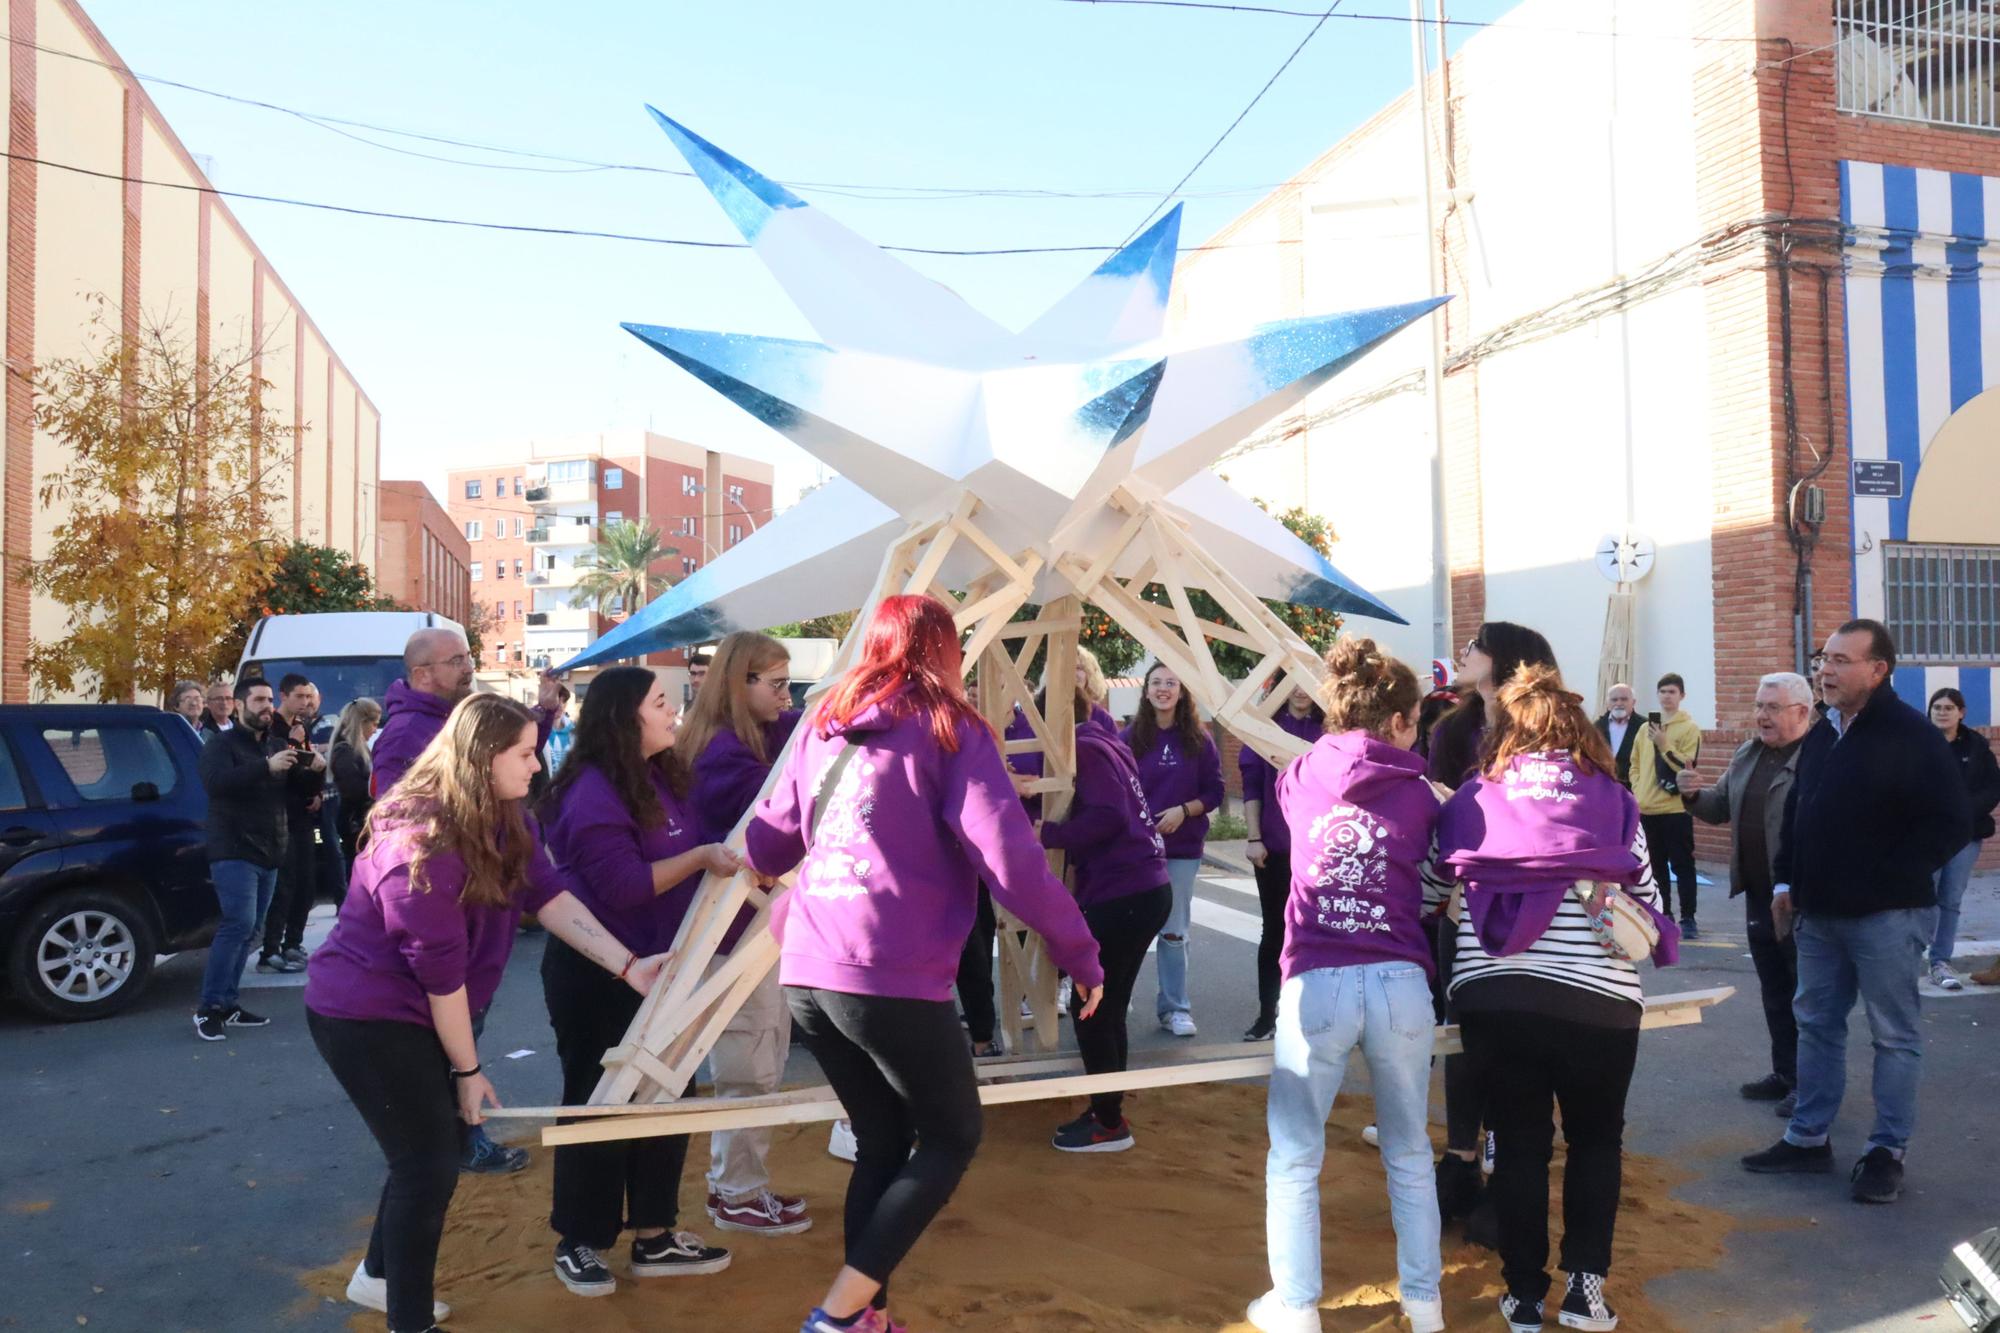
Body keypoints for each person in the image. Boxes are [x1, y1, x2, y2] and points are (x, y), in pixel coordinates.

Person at [740, 593, 1104, 1333]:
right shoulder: (948, 727)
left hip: (810, 965)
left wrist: (761, 864)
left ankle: (866, 1314)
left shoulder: (824, 723)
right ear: (942, 651)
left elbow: (770, 838)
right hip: (887, 968)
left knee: (883, 1135)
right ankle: (840, 1315)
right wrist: (1079, 952)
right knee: (951, 1135)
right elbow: (1010, 858)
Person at [305, 693, 667, 1333]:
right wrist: (468, 1072)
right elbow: (440, 978)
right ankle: (408, 1319)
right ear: (482, 758)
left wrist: (629, 965)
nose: (537, 765)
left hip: (424, 1005)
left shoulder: (507, 816)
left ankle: (380, 1276)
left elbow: (548, 895)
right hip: (363, 1013)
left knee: (428, 1149)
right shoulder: (421, 842)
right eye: (525, 754)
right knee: (427, 1163)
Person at [1437, 665, 1670, 1333]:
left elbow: (1437, 886)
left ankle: (1522, 1296)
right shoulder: (1616, 802)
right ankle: (1586, 1294)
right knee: (1597, 1141)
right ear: (1582, 733)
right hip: (1597, 1001)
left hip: (1495, 995)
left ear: (1503, 734)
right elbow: (1645, 919)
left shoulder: (1474, 799)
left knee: (1519, 1145)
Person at [1248, 638, 1444, 1333]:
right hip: (1398, 977)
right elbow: (1436, 873)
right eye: (1416, 718)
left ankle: (1297, 1308)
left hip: (1318, 977)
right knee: (1409, 1150)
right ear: (1396, 720)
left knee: (1296, 1155)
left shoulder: (1300, 774)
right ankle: (1424, 1304)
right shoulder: (1420, 792)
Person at [1741, 620, 1969, 1205]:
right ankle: (1808, 1138)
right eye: (1824, 659)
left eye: (1842, 660)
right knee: (1816, 1025)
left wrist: (1886, 879)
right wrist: (1788, 879)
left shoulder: (1910, 735)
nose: (1826, 670)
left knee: (1893, 1036)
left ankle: (1886, 1153)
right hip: (1818, 914)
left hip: (1886, 917)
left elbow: (1949, 823)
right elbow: (1799, 813)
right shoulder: (1824, 732)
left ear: (1878, 670)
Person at [539, 666, 739, 1297]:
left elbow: (700, 836)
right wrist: (702, 859)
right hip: (600, 972)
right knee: (600, 1100)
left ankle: (654, 1233)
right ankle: (581, 1238)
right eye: (661, 703)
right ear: (626, 717)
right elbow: (624, 886)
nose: (675, 712)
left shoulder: (658, 775)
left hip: (663, 970)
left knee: (667, 1094)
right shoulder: (593, 791)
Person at [1425, 622, 1556, 1243]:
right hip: (1461, 901)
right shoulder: (1452, 728)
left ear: (1504, 659)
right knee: (1462, 1029)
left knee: (1514, 1037)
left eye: (1476, 645)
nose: (1464, 652)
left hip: (1531, 904)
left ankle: (1506, 1170)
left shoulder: (1543, 728)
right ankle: (1460, 1158)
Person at [681, 630, 813, 1236]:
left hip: (751, 927)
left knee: (760, 1052)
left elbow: (798, 740)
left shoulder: (747, 740)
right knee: (748, 1062)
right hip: (734, 933)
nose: (789, 695)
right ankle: (736, 1192)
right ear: (742, 686)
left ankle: (738, 1187)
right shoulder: (722, 756)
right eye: (779, 684)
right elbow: (769, 823)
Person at [1039, 676, 1173, 1153]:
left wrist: (1048, 834)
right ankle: (1107, 1109)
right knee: (1108, 1005)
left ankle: (1109, 1122)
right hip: (1143, 887)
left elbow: (1109, 817)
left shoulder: (1086, 749)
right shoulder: (1105, 742)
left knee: (1091, 1006)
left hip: (1124, 890)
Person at [1677, 672, 1815, 1119]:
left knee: (1805, 997)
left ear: (1801, 712)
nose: (1761, 716)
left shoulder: (1818, 758)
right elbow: (1720, 806)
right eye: (1759, 706)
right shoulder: (1749, 752)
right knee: (1775, 991)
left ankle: (1808, 1086)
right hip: (1758, 894)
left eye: (1772, 708)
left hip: (1800, 898)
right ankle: (1785, 1074)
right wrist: (1694, 795)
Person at [1122, 660, 1223, 1039]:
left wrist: (1185, 811)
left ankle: (1175, 1007)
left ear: (1182, 692)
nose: (1164, 689)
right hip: (1135, 852)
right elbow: (1114, 790)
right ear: (1146, 690)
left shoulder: (1199, 740)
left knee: (1174, 931)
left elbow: (1215, 791)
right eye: (1157, 682)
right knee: (1129, 929)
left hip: (1181, 850)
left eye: (1172, 683)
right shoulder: (1129, 739)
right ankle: (1120, 996)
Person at [191, 677, 293, 1041]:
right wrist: (266, 767)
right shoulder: (221, 745)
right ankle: (209, 1009)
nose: (267, 706)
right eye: (259, 700)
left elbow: (292, 797)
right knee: (237, 925)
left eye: (269, 700)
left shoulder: (277, 744)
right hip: (233, 849)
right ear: (238, 705)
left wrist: (312, 773)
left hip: (270, 850)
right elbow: (216, 784)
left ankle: (229, 1004)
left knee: (250, 930)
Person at [373, 627, 563, 797]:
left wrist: (545, 708)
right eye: (456, 661)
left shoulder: (462, 715)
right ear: (422, 675)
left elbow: (512, 752)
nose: (469, 669)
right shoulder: (403, 736)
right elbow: (394, 817)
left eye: (467, 658)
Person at [1241, 684, 1326, 1042]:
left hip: (1321, 852)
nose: (1299, 691)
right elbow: (1252, 788)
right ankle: (1268, 1014)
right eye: (1289, 683)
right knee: (1274, 931)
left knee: (1317, 934)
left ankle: (1313, 1015)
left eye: (1304, 682)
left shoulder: (1328, 730)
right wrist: (1253, 837)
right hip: (1275, 849)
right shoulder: (1266, 728)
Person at [1925, 687, 2000, 992]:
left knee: (1950, 899)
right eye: (1937, 707)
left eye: (1948, 707)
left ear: (1961, 713)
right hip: (1927, 836)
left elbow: (1992, 788)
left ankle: (1940, 961)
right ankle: (1908, 955)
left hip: (1965, 836)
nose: (1942, 712)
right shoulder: (1918, 744)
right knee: (1921, 898)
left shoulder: (1977, 746)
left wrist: (1963, 812)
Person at [256, 674, 329, 974]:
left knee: (305, 883)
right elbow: (278, 768)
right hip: (279, 816)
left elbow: (305, 767)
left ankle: (293, 942)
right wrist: (293, 742)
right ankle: (270, 949)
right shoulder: (273, 728)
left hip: (302, 814)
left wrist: (317, 790)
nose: (306, 702)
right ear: (283, 696)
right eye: (299, 696)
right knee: (283, 886)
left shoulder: (302, 727)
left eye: (308, 697)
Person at [1629, 673, 1703, 937]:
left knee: (1683, 865)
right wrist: (1638, 788)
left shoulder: (1689, 728)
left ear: (1681, 695)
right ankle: (1664, 913)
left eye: (1671, 692)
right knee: (1656, 866)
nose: (1666, 697)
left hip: (1675, 809)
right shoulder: (1644, 728)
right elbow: (1634, 763)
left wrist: (1664, 744)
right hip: (1647, 809)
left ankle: (1689, 917)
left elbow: (1687, 765)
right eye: (1662, 692)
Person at [331, 698, 383, 866]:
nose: (375, 731)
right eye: (374, 724)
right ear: (362, 723)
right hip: (355, 823)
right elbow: (353, 790)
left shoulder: (358, 749)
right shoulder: (345, 751)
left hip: (359, 821)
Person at [1593, 684, 1638, 788]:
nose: (1619, 703)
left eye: (1624, 699)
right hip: (1603, 788)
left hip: (1633, 791)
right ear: (1608, 703)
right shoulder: (1596, 727)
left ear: (1633, 702)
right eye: (1614, 700)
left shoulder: (1643, 727)